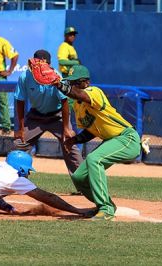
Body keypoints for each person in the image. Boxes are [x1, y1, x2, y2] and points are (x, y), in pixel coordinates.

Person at [57, 65, 141, 220]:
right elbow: (90, 131)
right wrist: (73, 140)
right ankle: (105, 204)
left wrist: (59, 84)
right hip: (111, 140)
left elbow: (79, 94)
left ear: (86, 83)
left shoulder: (94, 92)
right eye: (71, 83)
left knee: (94, 159)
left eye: (76, 83)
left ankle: (106, 209)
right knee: (79, 178)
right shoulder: (77, 105)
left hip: (127, 138)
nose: (73, 86)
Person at [14, 49, 83, 177]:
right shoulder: (25, 76)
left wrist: (67, 128)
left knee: (70, 145)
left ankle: (84, 184)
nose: (35, 66)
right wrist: (21, 128)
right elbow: (20, 101)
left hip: (57, 116)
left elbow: (64, 101)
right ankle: (15, 181)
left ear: (48, 64)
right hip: (36, 116)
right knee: (19, 144)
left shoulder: (56, 76)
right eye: (35, 63)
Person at [57, 26, 82, 150]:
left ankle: (71, 139)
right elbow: (61, 61)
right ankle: (68, 137)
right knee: (68, 107)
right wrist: (75, 63)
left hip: (72, 79)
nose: (73, 36)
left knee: (73, 107)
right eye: (70, 34)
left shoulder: (71, 47)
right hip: (66, 78)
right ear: (66, 35)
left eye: (74, 34)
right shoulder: (64, 46)